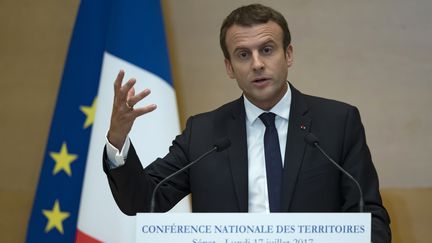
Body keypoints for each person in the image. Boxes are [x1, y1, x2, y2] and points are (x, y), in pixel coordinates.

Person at [103, 4, 391, 242]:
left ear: (288, 54)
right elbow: (141, 202)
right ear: (230, 67)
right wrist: (118, 140)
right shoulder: (203, 134)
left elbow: (370, 219)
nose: (256, 64)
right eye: (243, 54)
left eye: (267, 50)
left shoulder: (337, 123)